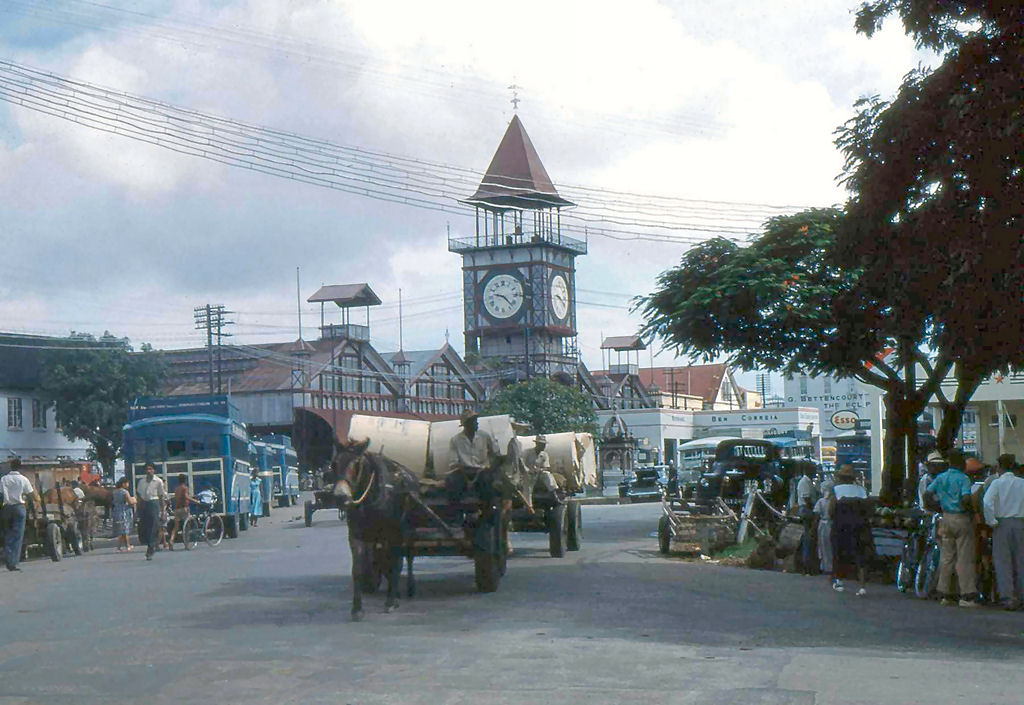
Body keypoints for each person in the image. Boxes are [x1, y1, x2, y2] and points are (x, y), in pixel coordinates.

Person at [926, 449, 979, 607]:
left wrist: (936, 507)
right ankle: (966, 595)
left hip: (946, 518)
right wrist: (970, 512)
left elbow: (927, 494)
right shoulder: (964, 478)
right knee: (964, 558)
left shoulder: (941, 478)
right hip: (961, 518)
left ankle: (945, 593)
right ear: (961, 463)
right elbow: (966, 498)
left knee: (947, 557)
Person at [983, 454, 1024, 609]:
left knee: (1003, 561)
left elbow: (987, 502)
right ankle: (1022, 595)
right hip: (1021, 522)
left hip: (1002, 523)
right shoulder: (1022, 483)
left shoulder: (997, 483)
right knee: (1021, 560)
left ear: (999, 467)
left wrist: (991, 521)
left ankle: (1008, 596)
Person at [828, 464, 870, 595]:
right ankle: (862, 586)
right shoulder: (862, 491)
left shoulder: (836, 490)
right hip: (860, 526)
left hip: (841, 526)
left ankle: (839, 581)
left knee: (839, 553)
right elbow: (869, 509)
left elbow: (831, 510)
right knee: (860, 555)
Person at [447, 410, 498, 501]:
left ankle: (487, 512)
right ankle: (456, 513)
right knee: (452, 482)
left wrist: (489, 466)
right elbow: (454, 462)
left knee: (487, 483)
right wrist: (465, 470)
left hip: (482, 470)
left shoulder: (484, 436)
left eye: (476, 421)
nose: (477, 423)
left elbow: (494, 453)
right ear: (467, 424)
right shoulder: (456, 440)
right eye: (474, 422)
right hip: (463, 471)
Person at [1, 458, 38, 571]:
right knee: (17, 536)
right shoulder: (23, 479)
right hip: (19, 508)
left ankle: (7, 555)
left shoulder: (3, 479)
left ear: (10, 466)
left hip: (6, 508)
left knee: (7, 533)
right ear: (20, 467)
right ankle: (13, 563)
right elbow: (31, 494)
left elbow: (0, 494)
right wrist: (36, 501)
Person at [136, 464, 168, 560]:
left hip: (154, 504)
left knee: (153, 527)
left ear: (153, 470)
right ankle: (151, 545)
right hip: (144, 504)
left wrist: (162, 511)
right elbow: (139, 497)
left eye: (150, 469)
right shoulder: (141, 482)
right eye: (147, 469)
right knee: (143, 528)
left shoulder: (158, 481)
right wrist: (137, 511)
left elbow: (161, 496)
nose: (149, 471)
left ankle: (151, 548)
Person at [796, 464, 820, 575]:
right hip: (807, 510)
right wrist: (815, 510)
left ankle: (809, 563)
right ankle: (807, 564)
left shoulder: (809, 482)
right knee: (809, 536)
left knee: (811, 537)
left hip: (808, 509)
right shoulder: (804, 482)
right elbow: (807, 498)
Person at [168, 474, 198, 547]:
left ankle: (171, 540)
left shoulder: (176, 488)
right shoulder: (184, 488)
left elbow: (176, 497)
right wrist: (195, 501)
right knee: (186, 526)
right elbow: (186, 496)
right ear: (185, 480)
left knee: (176, 527)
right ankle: (186, 543)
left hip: (177, 509)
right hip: (184, 508)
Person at [110, 476, 136, 552]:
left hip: (117, 511)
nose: (128, 484)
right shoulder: (125, 492)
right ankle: (127, 546)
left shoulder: (114, 492)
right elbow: (130, 502)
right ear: (124, 484)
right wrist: (135, 500)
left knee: (120, 530)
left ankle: (119, 547)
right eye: (127, 483)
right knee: (125, 530)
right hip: (124, 511)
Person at [813, 484, 834, 575]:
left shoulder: (821, 501)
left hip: (823, 525)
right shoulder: (834, 501)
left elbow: (816, 514)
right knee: (830, 546)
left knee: (823, 546)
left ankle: (825, 566)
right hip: (831, 525)